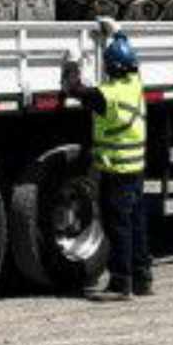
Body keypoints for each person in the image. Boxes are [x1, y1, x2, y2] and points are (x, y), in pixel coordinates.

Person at [62, 17, 152, 300]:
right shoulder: (135, 85)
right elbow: (127, 53)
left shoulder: (107, 96)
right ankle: (142, 279)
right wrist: (118, 33)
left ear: (111, 69)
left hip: (116, 172)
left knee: (118, 227)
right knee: (136, 224)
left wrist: (72, 63)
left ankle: (120, 282)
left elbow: (73, 89)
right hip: (136, 170)